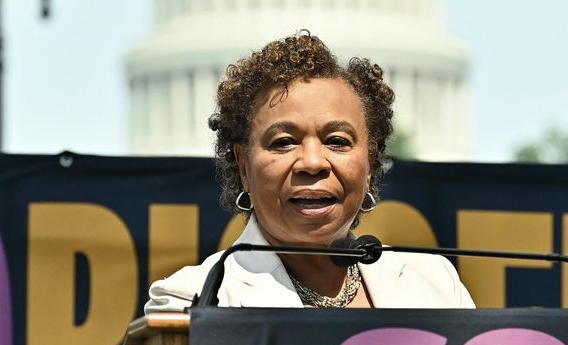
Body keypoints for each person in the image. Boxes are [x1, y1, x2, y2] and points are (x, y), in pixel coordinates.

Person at [144, 31, 474, 313]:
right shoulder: (193, 300)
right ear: (244, 166)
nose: (313, 163)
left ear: (370, 162)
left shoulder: (435, 285)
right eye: (285, 142)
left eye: (337, 141)